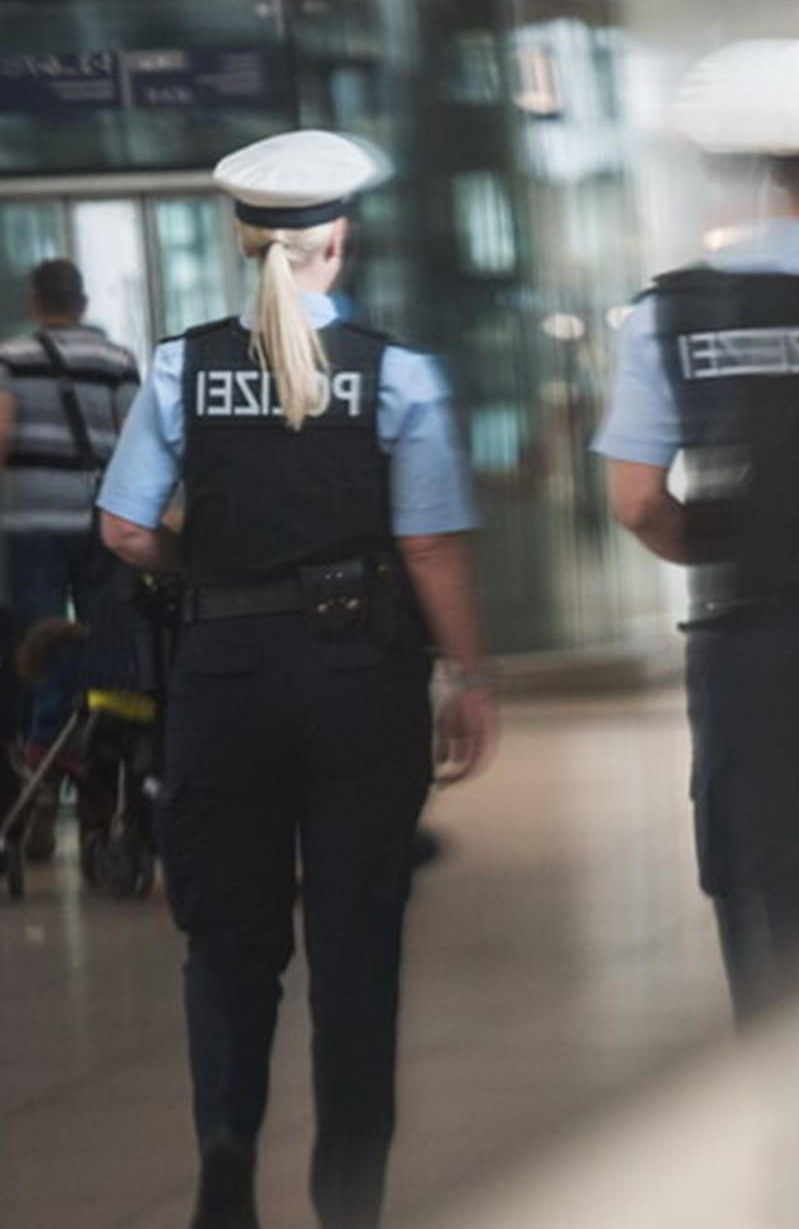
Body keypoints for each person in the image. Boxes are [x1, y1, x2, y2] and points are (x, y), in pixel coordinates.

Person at [95, 129, 499, 1229]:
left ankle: (228, 1148)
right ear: (340, 239)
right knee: (357, 935)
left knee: (227, 937)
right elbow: (427, 546)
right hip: (359, 676)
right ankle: (347, 1195)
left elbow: (126, 529)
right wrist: (471, 670)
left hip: (224, 679)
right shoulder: (397, 372)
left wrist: (211, 570)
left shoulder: (181, 365)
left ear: (242, 242)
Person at [596, 38, 799, 1023]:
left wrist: (728, 546)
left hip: (744, 633)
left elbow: (637, 501)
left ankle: (785, 1078)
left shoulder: (667, 314)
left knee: (761, 883)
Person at [0, 258, 140, 858]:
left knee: (39, 644)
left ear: (36, 303)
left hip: (30, 522)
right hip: (101, 523)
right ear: (82, 303)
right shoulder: (116, 361)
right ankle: (91, 786)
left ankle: (39, 760)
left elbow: (2, 436)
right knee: (101, 644)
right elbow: (139, 438)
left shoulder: (11, 359)